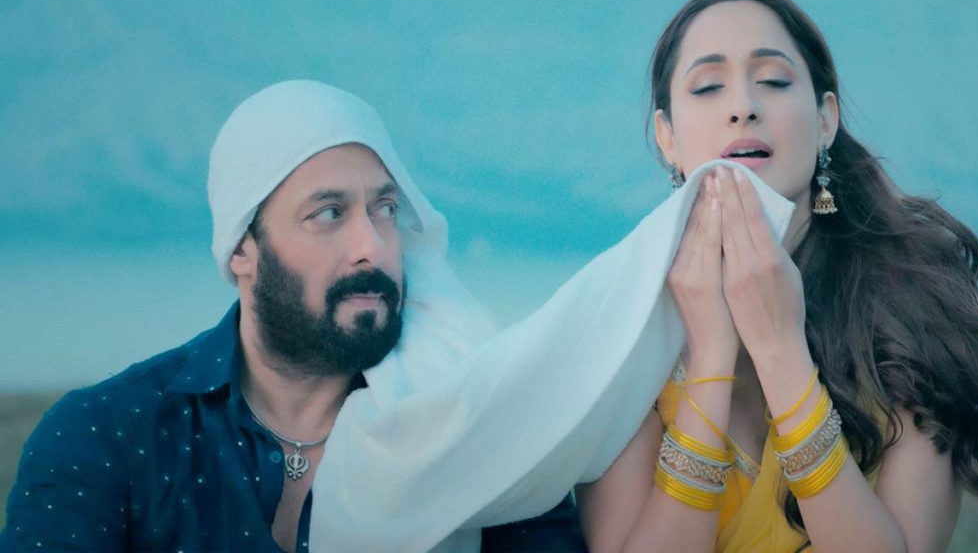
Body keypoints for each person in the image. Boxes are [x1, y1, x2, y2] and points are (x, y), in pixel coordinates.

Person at [0, 80, 585, 553]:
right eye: (328, 213)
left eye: (385, 209)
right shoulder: (107, 436)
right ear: (242, 249)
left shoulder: (474, 429)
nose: (373, 246)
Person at [575, 0, 978, 553]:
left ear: (825, 120)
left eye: (774, 80)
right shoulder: (626, 331)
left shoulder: (912, 315)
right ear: (668, 138)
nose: (743, 106)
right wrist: (711, 358)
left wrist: (779, 348)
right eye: (708, 87)